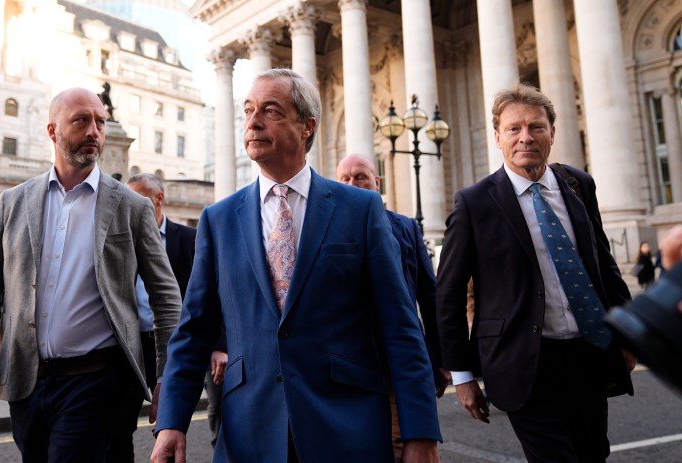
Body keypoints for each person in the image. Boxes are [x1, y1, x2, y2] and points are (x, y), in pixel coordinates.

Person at [151, 68, 441, 463]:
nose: (252, 121)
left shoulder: (360, 209)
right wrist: (172, 423)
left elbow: (400, 326)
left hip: (346, 425)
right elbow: (193, 330)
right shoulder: (218, 220)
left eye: (270, 110)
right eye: (249, 110)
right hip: (249, 429)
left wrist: (420, 432)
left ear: (307, 126)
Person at [0, 87, 183, 462]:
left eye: (100, 121)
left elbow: (166, 298)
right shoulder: (14, 202)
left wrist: (168, 378)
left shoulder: (131, 206)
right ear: (52, 131)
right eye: (81, 120)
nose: (95, 131)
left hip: (98, 380)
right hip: (27, 383)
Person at [436, 83, 635, 462]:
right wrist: (461, 376)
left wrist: (627, 335)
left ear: (552, 133)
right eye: (514, 129)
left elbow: (605, 265)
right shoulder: (474, 203)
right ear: (498, 137)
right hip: (522, 359)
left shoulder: (579, 185)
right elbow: (448, 294)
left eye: (536, 127)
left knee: (594, 454)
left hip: (588, 352)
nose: (525, 137)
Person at [336, 153, 450, 453]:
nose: (353, 183)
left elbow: (429, 296)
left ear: (377, 181)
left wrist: (441, 359)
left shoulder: (406, 227)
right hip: (345, 370)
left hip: (398, 367)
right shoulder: (323, 233)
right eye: (345, 179)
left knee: (404, 446)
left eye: (360, 176)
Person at [125, 173, 214, 450]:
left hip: (176, 343)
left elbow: (211, 293)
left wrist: (217, 345)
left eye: (137, 198)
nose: (130, 207)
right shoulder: (120, 240)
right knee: (119, 425)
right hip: (131, 344)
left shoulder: (189, 238)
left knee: (171, 423)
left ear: (158, 199)